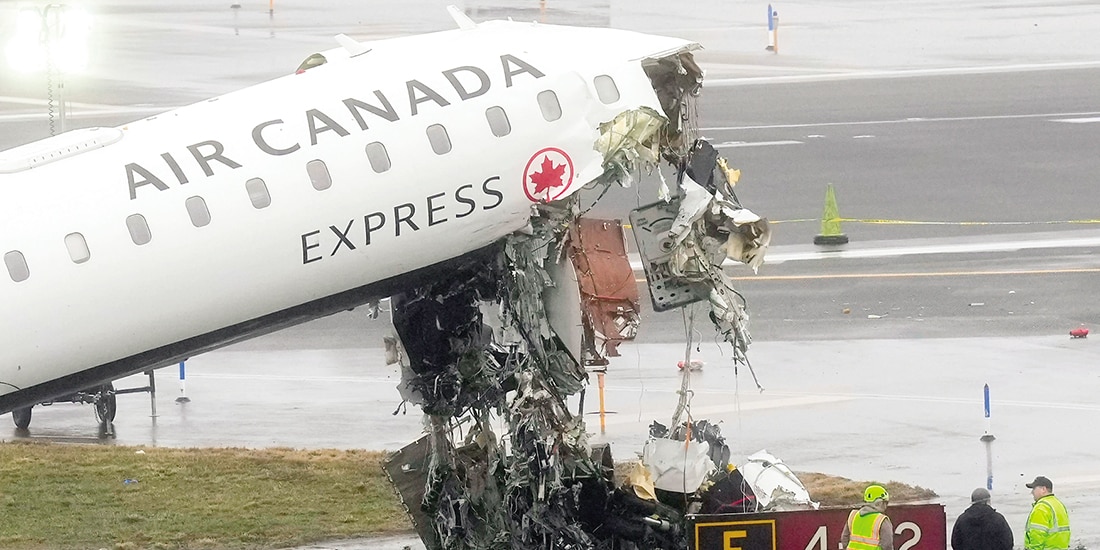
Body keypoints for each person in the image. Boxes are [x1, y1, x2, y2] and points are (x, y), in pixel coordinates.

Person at [841, 484, 894, 550]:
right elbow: (887, 545)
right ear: (879, 503)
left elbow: (844, 539)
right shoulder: (882, 520)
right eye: (885, 503)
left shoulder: (853, 516)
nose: (886, 506)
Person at [1024, 476, 1071, 550]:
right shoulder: (1058, 504)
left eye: (1034, 489)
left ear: (1043, 489)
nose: (1032, 492)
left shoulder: (1041, 507)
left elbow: (1037, 534)